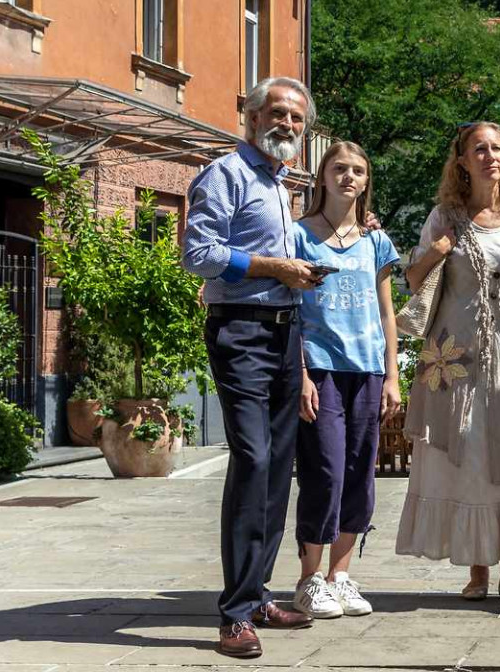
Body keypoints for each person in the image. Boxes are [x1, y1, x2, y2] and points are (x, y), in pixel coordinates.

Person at [182, 77, 326, 659]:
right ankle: (234, 615)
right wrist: (274, 267)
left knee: (277, 466)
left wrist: (301, 269)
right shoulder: (225, 174)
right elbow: (199, 255)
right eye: (278, 113)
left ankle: (259, 592)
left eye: (297, 118)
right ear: (250, 114)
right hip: (240, 330)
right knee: (254, 458)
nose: (287, 124)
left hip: (284, 332)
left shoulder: (279, 183)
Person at [396, 122, 500, 603]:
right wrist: (438, 249)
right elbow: (413, 279)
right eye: (479, 149)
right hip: (458, 360)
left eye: (496, 148)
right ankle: (478, 570)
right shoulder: (444, 216)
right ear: (462, 161)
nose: (490, 155)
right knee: (470, 456)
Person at [289, 141, 402, 620]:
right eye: (339, 169)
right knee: (325, 472)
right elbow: (288, 309)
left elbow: (386, 310)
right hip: (320, 368)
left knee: (360, 475)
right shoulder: (297, 237)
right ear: (322, 177)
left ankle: (341, 576)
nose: (348, 177)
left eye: (357, 170)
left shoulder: (376, 242)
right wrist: (299, 373)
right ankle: (309, 580)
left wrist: (393, 374)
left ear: (366, 180)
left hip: (368, 370)